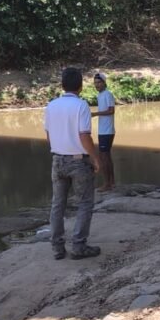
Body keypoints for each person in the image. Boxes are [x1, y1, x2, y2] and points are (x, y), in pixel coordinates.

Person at [44, 67, 102, 260]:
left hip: (57, 159)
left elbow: (49, 135)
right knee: (85, 203)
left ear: (62, 85)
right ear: (80, 85)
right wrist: (95, 158)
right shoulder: (81, 105)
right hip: (78, 161)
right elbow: (84, 135)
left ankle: (57, 248)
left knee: (57, 205)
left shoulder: (51, 105)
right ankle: (78, 245)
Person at [91, 72, 116, 191]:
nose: (97, 85)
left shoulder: (108, 95)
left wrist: (95, 114)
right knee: (106, 156)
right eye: (95, 83)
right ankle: (112, 182)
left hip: (107, 131)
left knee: (104, 156)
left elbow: (111, 111)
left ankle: (107, 184)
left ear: (104, 83)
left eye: (99, 82)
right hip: (102, 130)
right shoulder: (100, 96)